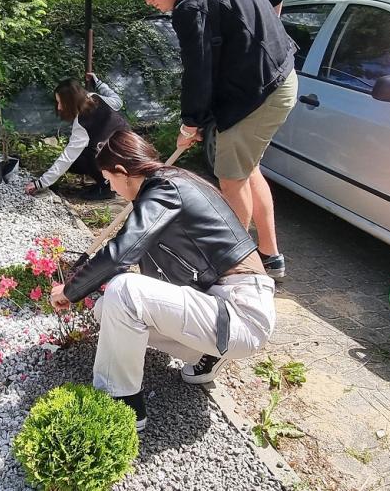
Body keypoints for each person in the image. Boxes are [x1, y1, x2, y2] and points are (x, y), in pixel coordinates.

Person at [50, 130, 276, 431]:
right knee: (107, 308)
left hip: (241, 313)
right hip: (220, 305)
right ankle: (204, 355)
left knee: (125, 291)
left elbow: (120, 256)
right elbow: (121, 249)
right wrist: (81, 282)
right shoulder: (167, 185)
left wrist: (70, 290)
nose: (113, 189)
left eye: (110, 180)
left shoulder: (166, 189)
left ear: (122, 172)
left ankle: (121, 405)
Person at [121, 0, 298, 279]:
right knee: (248, 169)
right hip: (277, 79)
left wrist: (190, 124)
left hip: (257, 94)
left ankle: (235, 271)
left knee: (231, 180)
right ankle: (271, 257)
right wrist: (270, 29)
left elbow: (198, 71)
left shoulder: (189, 6)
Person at [24, 73, 129, 201]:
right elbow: (117, 101)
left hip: (118, 160)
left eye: (60, 102)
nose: (59, 107)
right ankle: (105, 180)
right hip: (129, 148)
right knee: (84, 153)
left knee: (81, 157)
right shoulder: (95, 97)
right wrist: (98, 82)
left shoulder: (82, 124)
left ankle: (107, 187)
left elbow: (67, 157)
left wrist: (40, 183)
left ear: (70, 102)